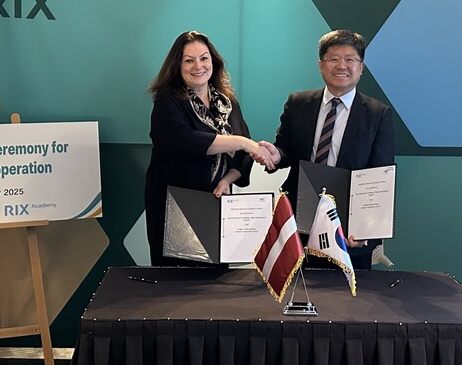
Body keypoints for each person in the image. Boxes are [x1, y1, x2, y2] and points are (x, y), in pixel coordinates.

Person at [259, 29, 395, 269]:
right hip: (299, 222)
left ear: (361, 67)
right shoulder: (298, 103)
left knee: (346, 292)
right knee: (296, 287)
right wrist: (275, 155)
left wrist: (366, 229)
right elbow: (285, 150)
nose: (341, 66)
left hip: (349, 229)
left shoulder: (378, 114)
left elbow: (379, 175)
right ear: (321, 65)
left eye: (350, 59)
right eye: (333, 59)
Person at [145, 30, 273, 267]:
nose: (198, 66)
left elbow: (243, 155)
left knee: (215, 275)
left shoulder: (227, 102)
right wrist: (241, 142)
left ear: (214, 62)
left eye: (204, 58)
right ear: (177, 65)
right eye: (189, 60)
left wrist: (227, 179)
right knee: (176, 278)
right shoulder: (168, 101)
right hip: (176, 204)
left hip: (216, 200)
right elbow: (186, 140)